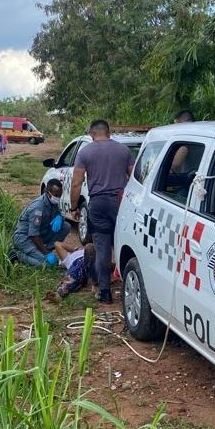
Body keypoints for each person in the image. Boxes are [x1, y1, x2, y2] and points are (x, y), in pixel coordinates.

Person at [69, 120, 134, 304]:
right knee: (126, 243)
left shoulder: (85, 152)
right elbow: (136, 177)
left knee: (102, 248)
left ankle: (105, 292)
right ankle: (129, 284)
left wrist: (74, 208)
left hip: (98, 204)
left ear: (91, 134)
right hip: (121, 203)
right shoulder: (124, 151)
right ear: (109, 132)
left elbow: (76, 183)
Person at [11, 178, 71, 266]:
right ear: (47, 192)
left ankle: (43, 250)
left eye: (59, 195)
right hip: (25, 238)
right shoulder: (38, 208)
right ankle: (17, 255)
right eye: (56, 195)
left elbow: (58, 215)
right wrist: (46, 253)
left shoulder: (52, 202)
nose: (58, 198)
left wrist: (60, 218)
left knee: (65, 226)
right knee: (46, 264)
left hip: (40, 234)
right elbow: (33, 235)